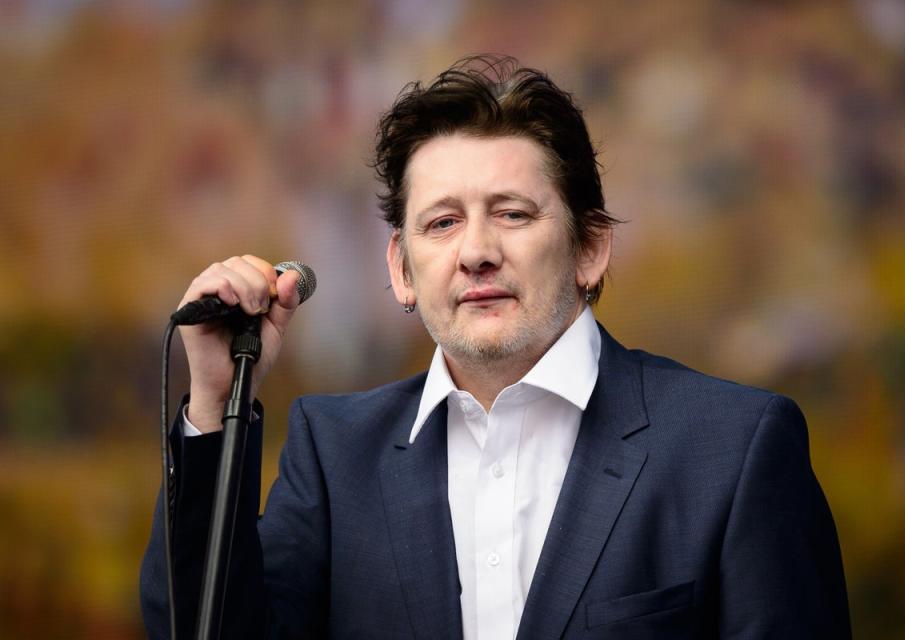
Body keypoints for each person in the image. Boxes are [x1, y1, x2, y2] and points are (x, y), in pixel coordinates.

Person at [141, 55, 851, 639]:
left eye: (512, 214)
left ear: (591, 248)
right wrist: (210, 400)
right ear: (401, 269)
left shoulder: (734, 448)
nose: (476, 252)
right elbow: (197, 630)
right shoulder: (335, 455)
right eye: (442, 223)